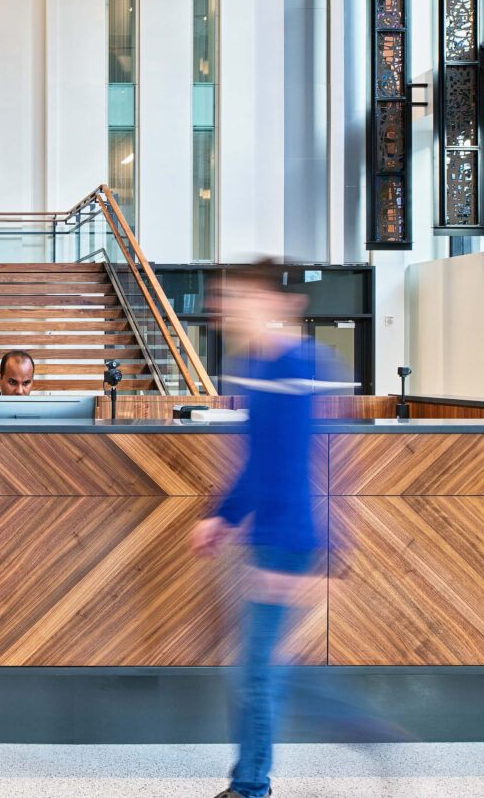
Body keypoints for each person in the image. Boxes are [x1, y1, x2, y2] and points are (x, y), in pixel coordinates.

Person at [190, 261, 327, 798]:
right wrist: (221, 517)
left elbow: (302, 469)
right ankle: (250, 781)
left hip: (286, 541)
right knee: (258, 672)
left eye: (239, 297)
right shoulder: (255, 369)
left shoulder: (299, 367)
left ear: (273, 303)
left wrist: (300, 557)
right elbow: (255, 463)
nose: (226, 309)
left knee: (257, 675)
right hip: (265, 538)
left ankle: (251, 787)